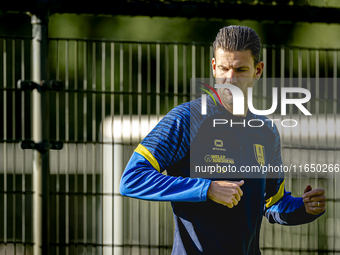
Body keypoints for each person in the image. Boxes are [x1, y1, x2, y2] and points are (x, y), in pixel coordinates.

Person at [120, 25, 326, 254]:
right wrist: (206, 189)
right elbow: (132, 178)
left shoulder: (267, 132)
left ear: (258, 71)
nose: (230, 79)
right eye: (224, 68)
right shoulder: (188, 120)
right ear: (213, 67)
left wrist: (304, 208)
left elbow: (272, 203)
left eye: (240, 69)